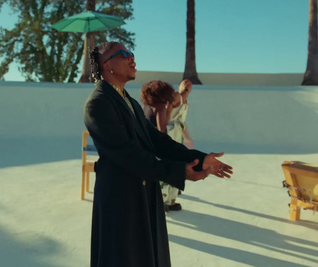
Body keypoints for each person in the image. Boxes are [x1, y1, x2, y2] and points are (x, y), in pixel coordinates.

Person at [84, 41, 233, 267]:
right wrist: (177, 172)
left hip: (142, 196)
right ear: (107, 66)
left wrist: (199, 158)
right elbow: (128, 154)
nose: (131, 57)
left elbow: (156, 140)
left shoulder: (128, 101)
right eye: (123, 54)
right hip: (121, 201)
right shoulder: (98, 104)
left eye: (131, 52)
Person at [140, 80, 183, 211]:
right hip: (155, 146)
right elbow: (162, 128)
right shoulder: (160, 107)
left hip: (145, 144)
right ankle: (163, 201)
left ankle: (161, 201)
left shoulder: (147, 106)